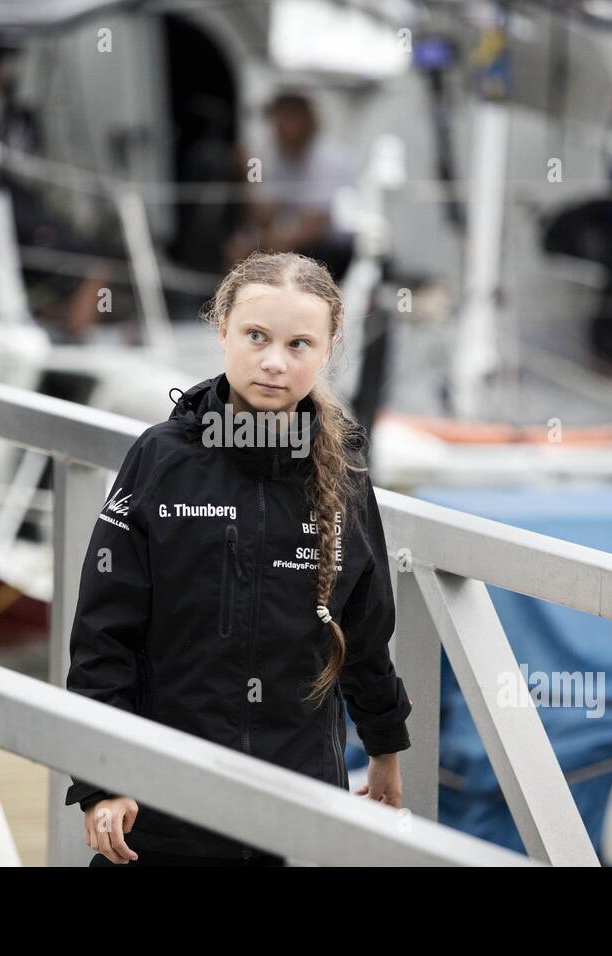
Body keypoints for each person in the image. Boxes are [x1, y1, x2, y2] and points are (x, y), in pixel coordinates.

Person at [64, 250, 412, 866]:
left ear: (327, 351)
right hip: (163, 804)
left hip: (297, 807)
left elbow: (363, 629)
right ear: (221, 329)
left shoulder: (347, 472)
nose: (275, 362)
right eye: (256, 336)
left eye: (300, 344)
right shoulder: (161, 460)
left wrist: (384, 750)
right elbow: (103, 635)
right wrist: (102, 778)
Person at [225, 91, 359, 281]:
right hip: (295, 239)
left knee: (261, 253)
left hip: (333, 247)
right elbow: (262, 215)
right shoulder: (276, 158)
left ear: (307, 120)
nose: (278, 126)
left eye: (287, 117)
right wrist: (248, 176)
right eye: (275, 118)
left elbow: (315, 226)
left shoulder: (330, 158)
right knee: (238, 249)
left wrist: (266, 243)